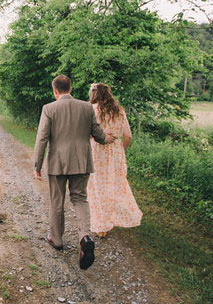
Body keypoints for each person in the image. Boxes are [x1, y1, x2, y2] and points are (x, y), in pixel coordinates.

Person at [33, 75, 114, 270]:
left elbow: (42, 138)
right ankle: (85, 235)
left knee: (57, 200)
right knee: (80, 198)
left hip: (57, 163)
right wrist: (108, 139)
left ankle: (57, 240)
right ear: (71, 88)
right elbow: (98, 134)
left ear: (55, 91)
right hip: (81, 161)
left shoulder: (49, 108)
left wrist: (37, 164)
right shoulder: (87, 107)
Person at [87, 83, 142, 238]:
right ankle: (111, 219)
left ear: (94, 94)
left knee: (97, 187)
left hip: (97, 152)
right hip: (115, 153)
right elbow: (128, 136)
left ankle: (101, 225)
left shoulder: (92, 110)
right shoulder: (119, 111)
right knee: (115, 186)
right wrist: (120, 151)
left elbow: (87, 134)